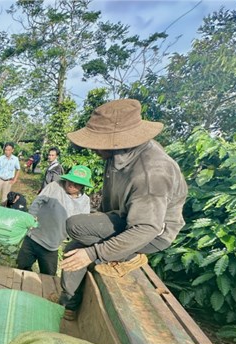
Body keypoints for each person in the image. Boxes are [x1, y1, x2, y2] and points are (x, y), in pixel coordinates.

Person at [59, 99, 188, 319]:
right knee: (74, 248)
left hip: (150, 233)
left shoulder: (151, 173)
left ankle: (127, 257)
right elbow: (109, 202)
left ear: (115, 141)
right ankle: (69, 305)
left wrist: (95, 252)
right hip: (124, 219)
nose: (91, 147)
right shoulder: (117, 155)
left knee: (76, 227)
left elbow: (146, 228)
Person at [17, 165, 92, 276]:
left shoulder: (85, 201)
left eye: (77, 184)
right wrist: (31, 218)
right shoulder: (55, 187)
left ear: (82, 186)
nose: (72, 185)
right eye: (70, 181)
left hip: (52, 245)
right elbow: (37, 202)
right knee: (22, 267)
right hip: (33, 237)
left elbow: (81, 223)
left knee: (49, 275)